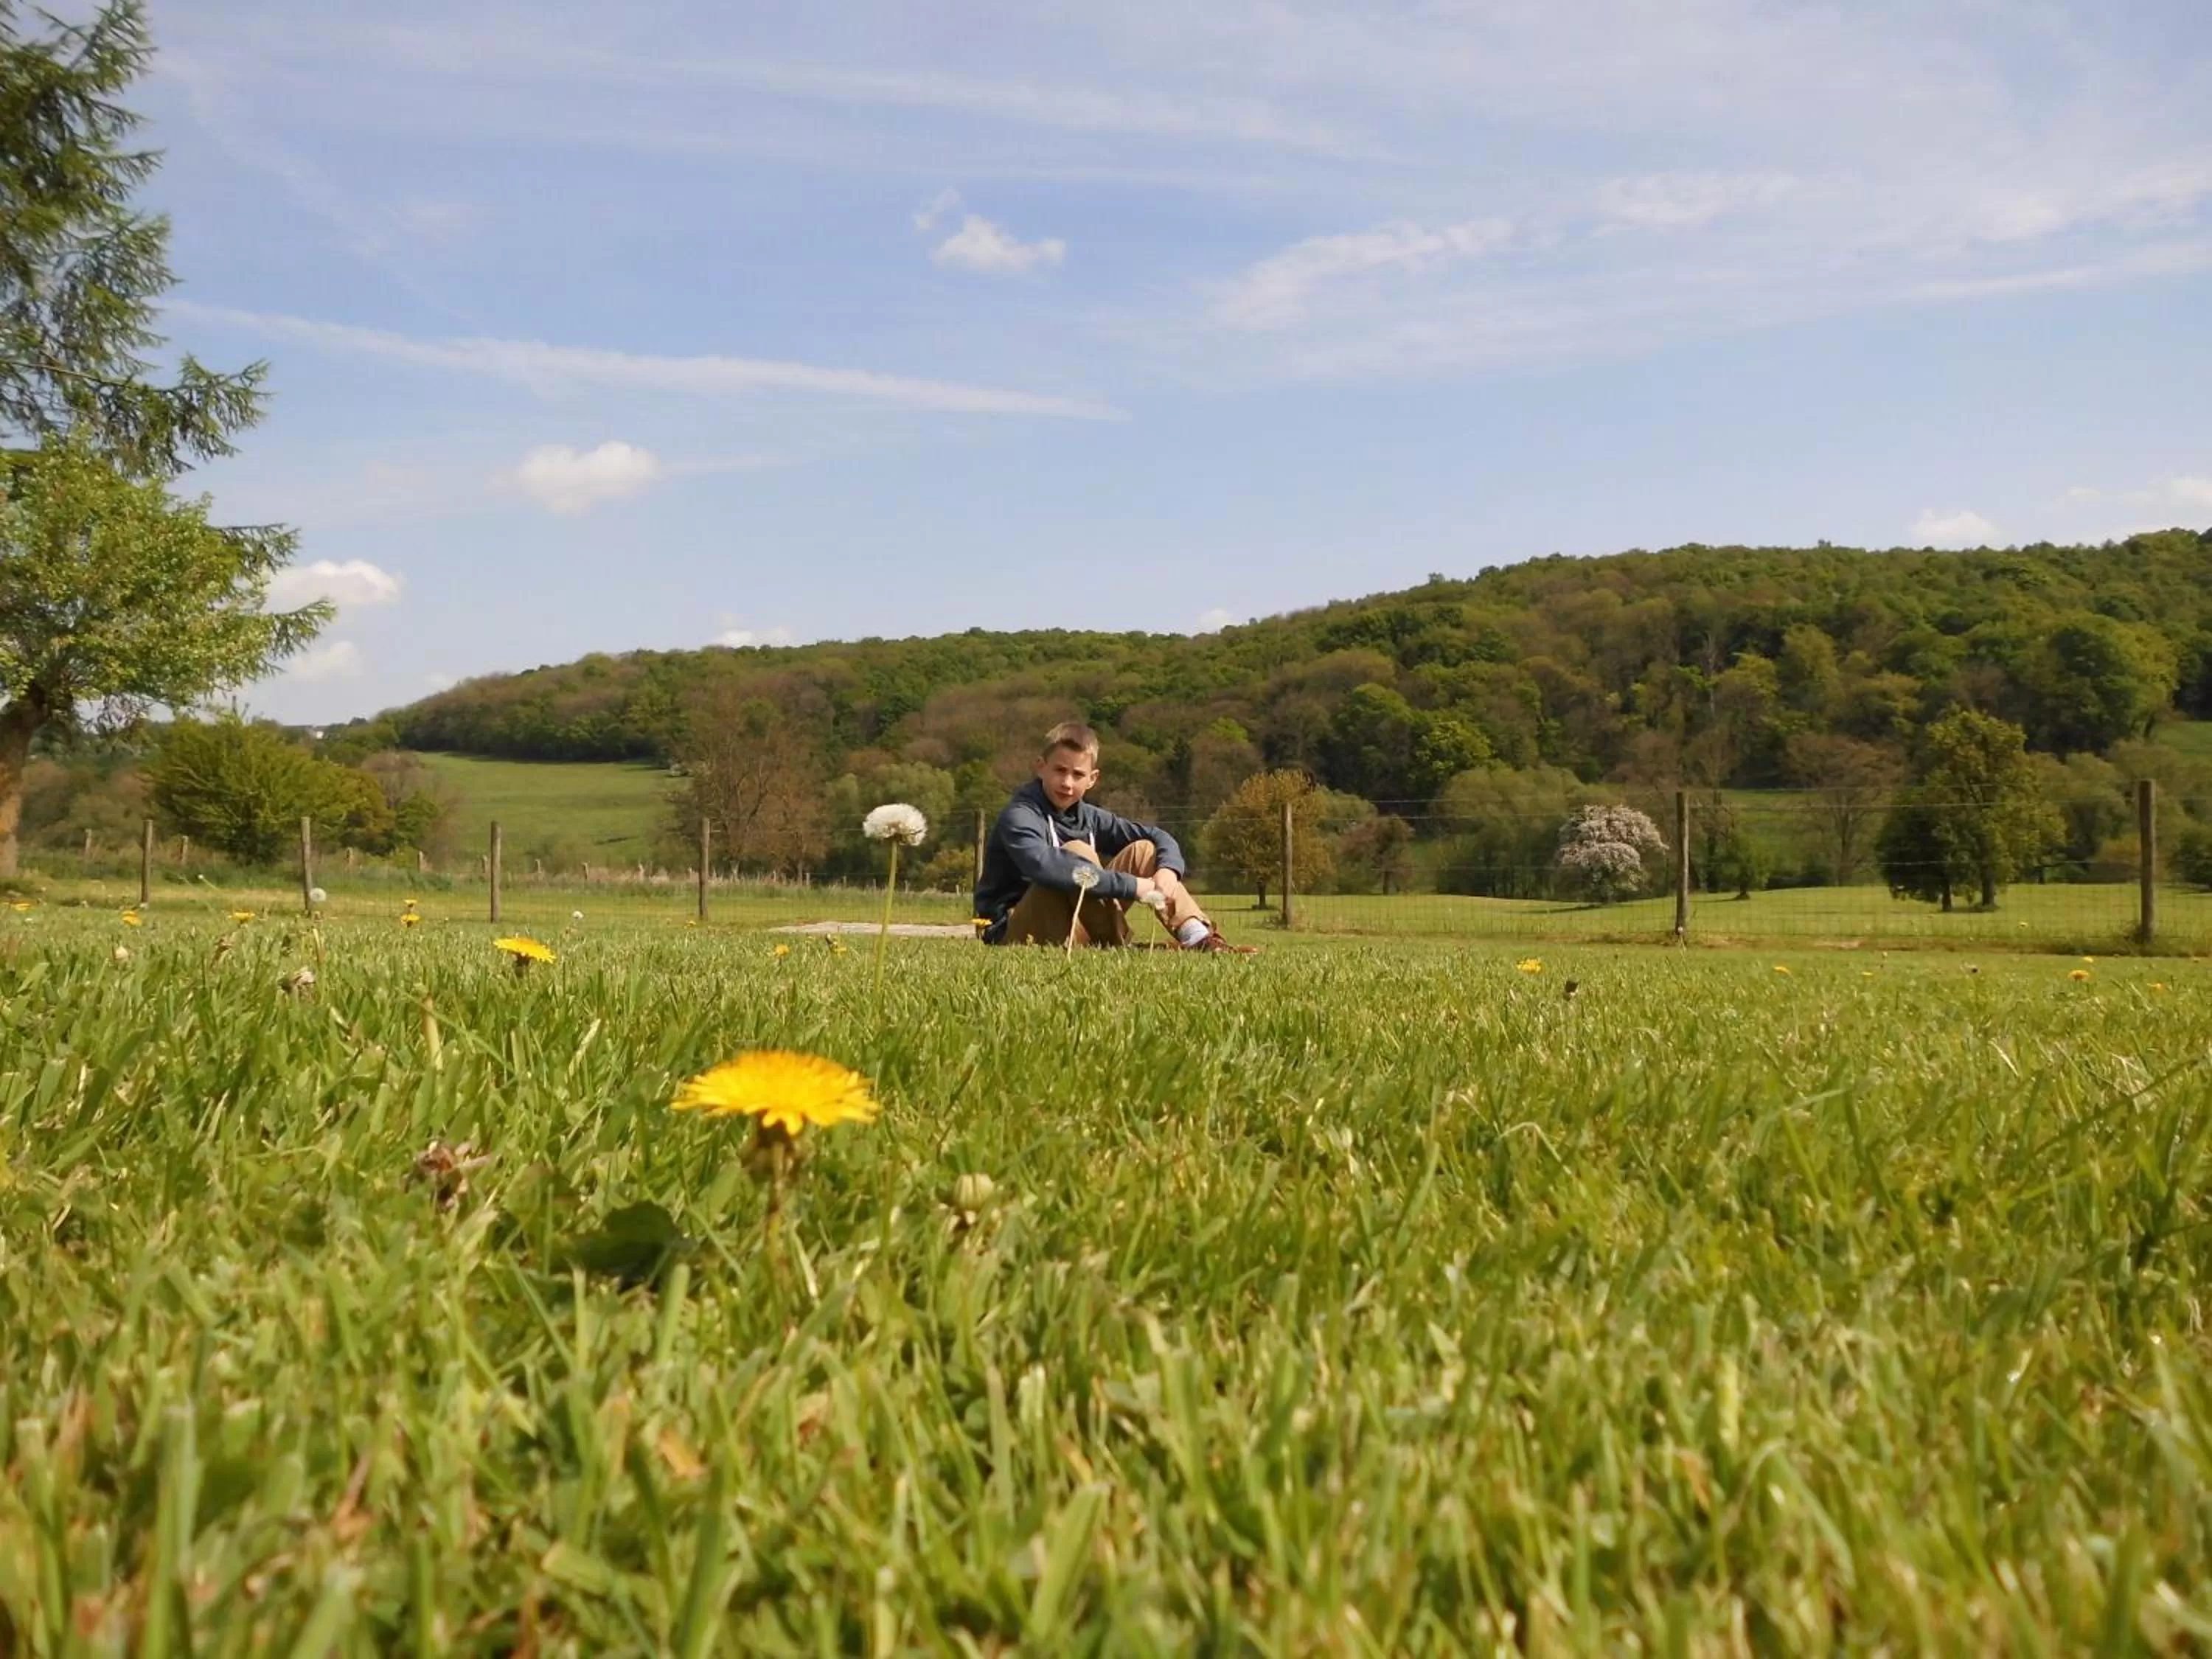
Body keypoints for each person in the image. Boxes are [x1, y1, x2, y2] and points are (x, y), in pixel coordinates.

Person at [974, 721, 1256, 952]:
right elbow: (1045, 867)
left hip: (1074, 929)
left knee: (1145, 850)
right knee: (1077, 852)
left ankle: (1198, 938)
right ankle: (1120, 944)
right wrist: (1134, 886)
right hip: (1013, 931)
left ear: (1093, 779)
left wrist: (1168, 870)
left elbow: (1159, 837)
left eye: (1077, 774)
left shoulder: (1090, 816)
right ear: (1041, 767)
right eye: (1060, 770)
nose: (1067, 783)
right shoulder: (1021, 814)